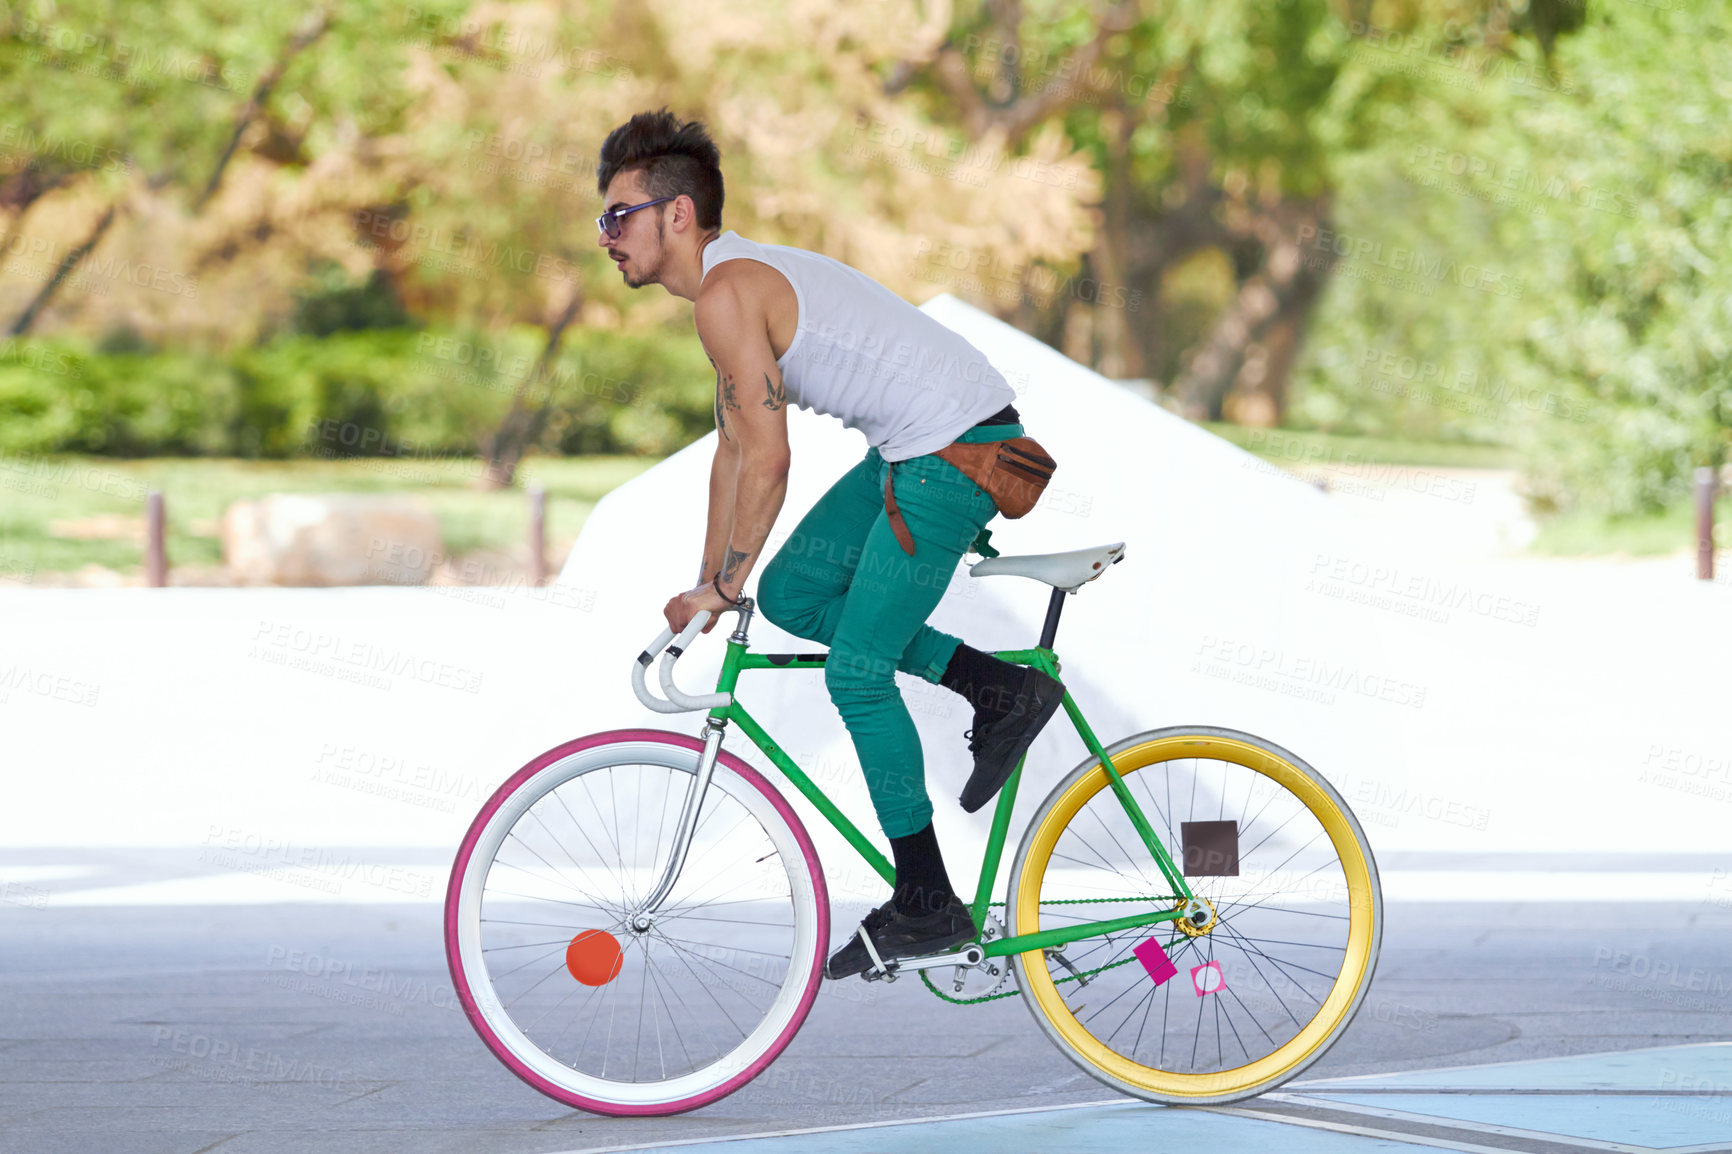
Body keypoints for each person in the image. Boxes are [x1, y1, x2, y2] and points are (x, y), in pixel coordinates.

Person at [597, 108, 1063, 979]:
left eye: (618, 216)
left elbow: (771, 459)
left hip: (953, 453)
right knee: (794, 596)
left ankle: (927, 899)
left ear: (678, 216)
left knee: (856, 671)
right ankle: (996, 687)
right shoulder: (728, 293)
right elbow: (734, 452)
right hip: (918, 448)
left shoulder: (730, 295)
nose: (606, 237)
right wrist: (713, 585)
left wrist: (719, 589)